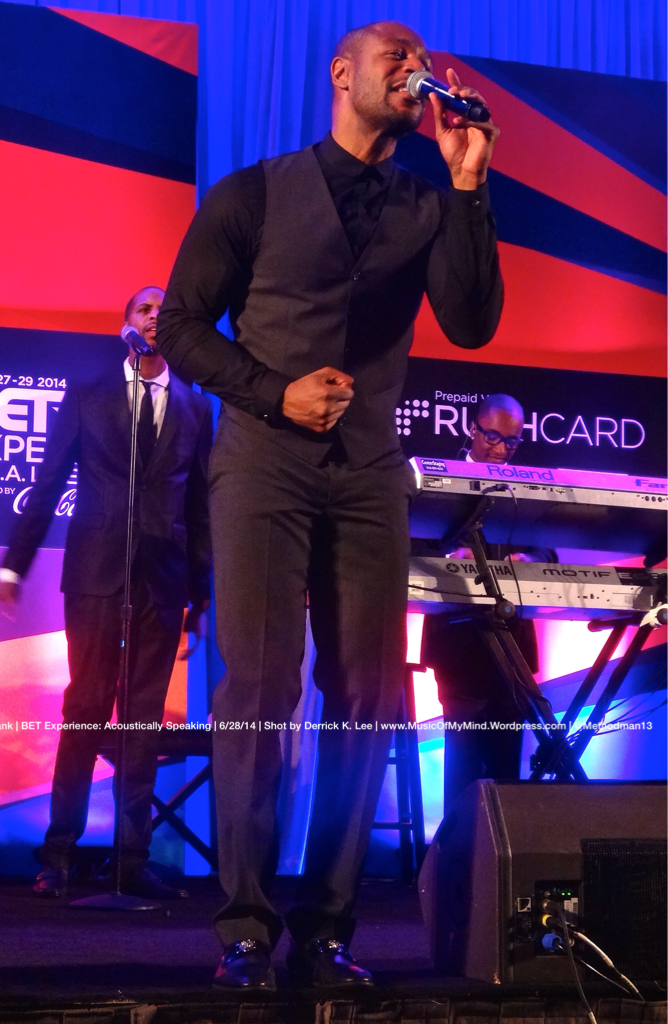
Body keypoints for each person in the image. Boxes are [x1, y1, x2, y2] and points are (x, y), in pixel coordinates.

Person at [157, 21, 503, 989]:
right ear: (341, 74)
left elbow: (472, 322)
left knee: (366, 693)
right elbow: (180, 325)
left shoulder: (426, 203)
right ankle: (243, 928)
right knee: (260, 689)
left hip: (367, 472)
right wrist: (273, 392)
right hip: (262, 463)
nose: (414, 68)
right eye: (395, 55)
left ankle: (325, 929)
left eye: (421, 58)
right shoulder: (254, 193)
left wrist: (468, 184)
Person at [0, 286, 212, 900]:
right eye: (145, 309)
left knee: (143, 717)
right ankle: (58, 854)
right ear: (126, 326)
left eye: (166, 310)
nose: (156, 317)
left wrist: (201, 594)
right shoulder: (90, 393)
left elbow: (201, 507)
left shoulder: (195, 407)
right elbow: (47, 482)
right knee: (86, 706)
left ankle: (132, 859)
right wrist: (13, 567)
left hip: (162, 580)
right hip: (95, 573)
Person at [420, 394, 556, 809]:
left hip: (512, 646)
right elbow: (414, 549)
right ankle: (457, 846)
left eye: (512, 442)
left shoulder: (524, 489)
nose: (501, 449)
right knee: (462, 766)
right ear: (472, 428)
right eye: (493, 437)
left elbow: (548, 551)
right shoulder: (440, 482)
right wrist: (450, 557)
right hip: (458, 644)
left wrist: (529, 560)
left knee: (506, 768)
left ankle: (503, 846)